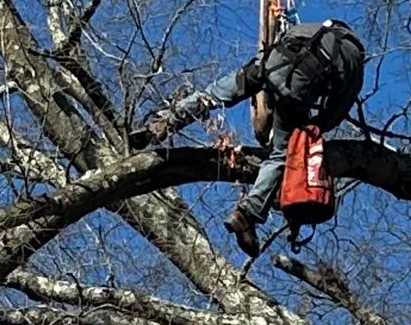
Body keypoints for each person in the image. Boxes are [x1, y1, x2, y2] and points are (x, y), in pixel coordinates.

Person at [157, 17, 367, 256]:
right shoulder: (354, 59)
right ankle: (247, 214)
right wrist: (310, 129)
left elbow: (279, 45)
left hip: (267, 65)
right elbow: (333, 114)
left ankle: (166, 120)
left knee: (214, 94)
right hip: (293, 92)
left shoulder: (311, 28)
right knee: (281, 155)